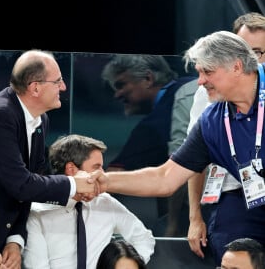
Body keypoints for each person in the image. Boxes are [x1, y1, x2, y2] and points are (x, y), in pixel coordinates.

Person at [95, 30, 265, 268]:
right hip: (249, 202)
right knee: (230, 251)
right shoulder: (212, 120)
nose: (200, 81)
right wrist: (103, 181)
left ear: (236, 67)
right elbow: (164, 178)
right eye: (199, 73)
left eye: (208, 72)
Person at [0, 49, 102, 269]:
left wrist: (15, 239)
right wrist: (73, 183)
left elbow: (29, 185)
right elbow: (21, 184)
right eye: (57, 81)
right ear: (35, 87)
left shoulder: (39, 119)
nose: (64, 87)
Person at [187, 12, 265, 264]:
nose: (254, 60)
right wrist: (194, 217)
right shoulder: (209, 93)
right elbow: (190, 161)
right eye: (247, 52)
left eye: (260, 52)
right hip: (233, 195)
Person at [23, 134, 155, 269]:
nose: (102, 174)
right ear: (71, 169)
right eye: (97, 167)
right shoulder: (38, 212)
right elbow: (37, 266)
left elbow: (144, 239)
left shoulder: (105, 203)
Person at [101, 54, 197, 236]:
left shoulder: (154, 125)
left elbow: (114, 176)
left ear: (148, 78)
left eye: (121, 85)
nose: (117, 94)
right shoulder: (190, 84)